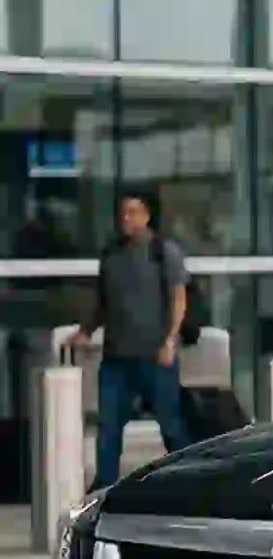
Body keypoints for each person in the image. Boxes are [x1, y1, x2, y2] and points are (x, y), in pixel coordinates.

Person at [74, 190, 192, 487]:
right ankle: (103, 485)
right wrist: (86, 331)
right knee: (109, 427)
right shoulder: (110, 254)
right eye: (123, 213)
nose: (126, 218)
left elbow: (179, 298)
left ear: (146, 215)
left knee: (171, 427)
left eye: (133, 212)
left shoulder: (163, 251)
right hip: (116, 358)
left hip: (155, 356)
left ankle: (189, 479)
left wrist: (170, 340)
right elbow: (103, 303)